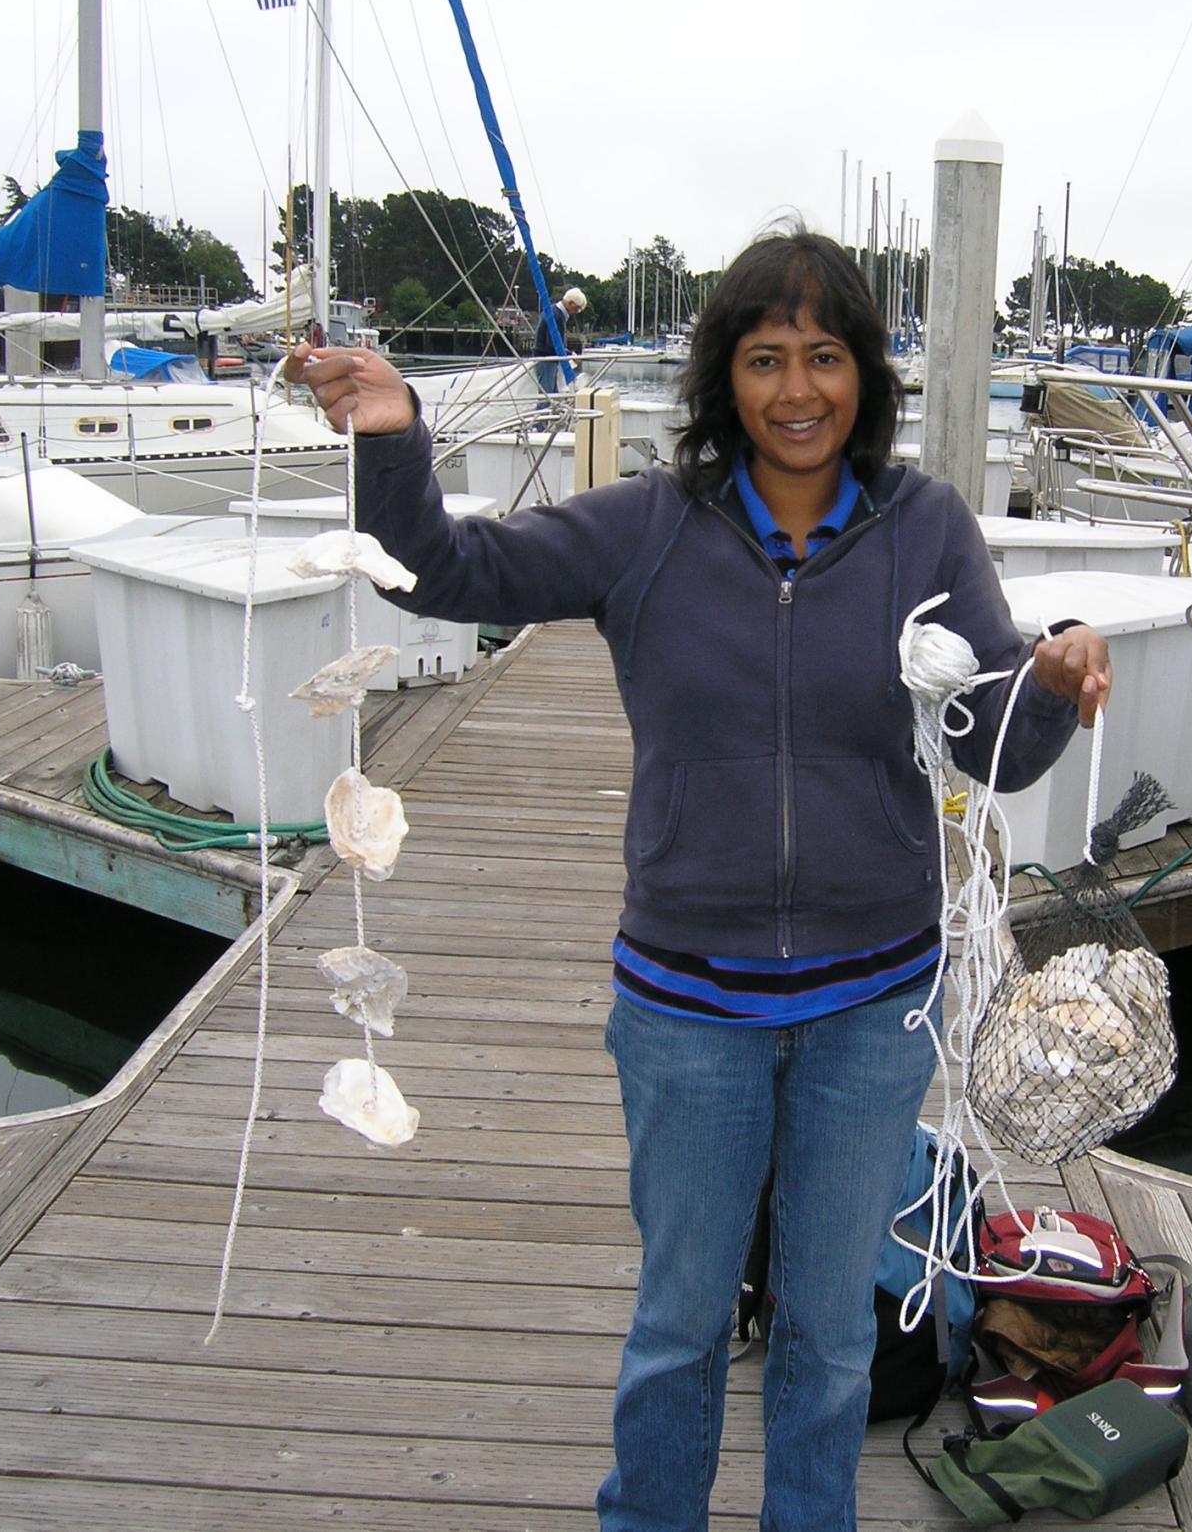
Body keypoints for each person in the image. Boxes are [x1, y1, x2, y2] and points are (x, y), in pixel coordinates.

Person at [288, 228, 1110, 1532]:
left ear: (865, 375)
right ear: (725, 377)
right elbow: (454, 572)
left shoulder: (926, 529)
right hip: (686, 1014)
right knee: (680, 1324)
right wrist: (394, 432)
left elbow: (983, 738)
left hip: (873, 1009)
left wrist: (1051, 687)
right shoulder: (649, 530)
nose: (797, 390)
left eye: (826, 356)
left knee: (832, 1337)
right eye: (766, 357)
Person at [535, 285, 587, 395]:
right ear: (570, 303)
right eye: (576, 309)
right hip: (546, 359)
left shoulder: (554, 312)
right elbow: (552, 343)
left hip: (548, 358)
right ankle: (543, 411)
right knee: (547, 396)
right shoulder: (556, 315)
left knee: (551, 394)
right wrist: (569, 353)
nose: (576, 312)